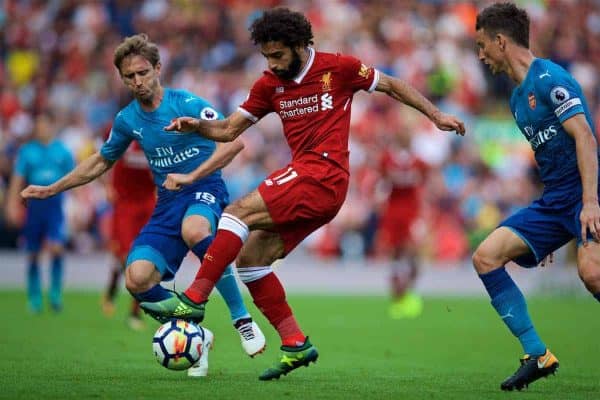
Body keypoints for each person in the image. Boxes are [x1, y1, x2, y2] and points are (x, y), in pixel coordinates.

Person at [140, 8, 465, 380]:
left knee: (237, 213)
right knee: (251, 260)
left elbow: (390, 84)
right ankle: (295, 343)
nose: (272, 63)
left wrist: (435, 114)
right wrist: (197, 125)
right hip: (312, 188)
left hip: (324, 174)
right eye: (266, 56)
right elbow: (229, 130)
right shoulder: (268, 86)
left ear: (299, 45)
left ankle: (195, 299)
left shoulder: (339, 68)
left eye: (277, 55)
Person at [20, 34, 266, 377]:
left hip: (203, 188)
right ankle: (194, 333)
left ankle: (242, 319)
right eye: (129, 76)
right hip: (166, 203)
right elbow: (101, 161)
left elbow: (233, 143)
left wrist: (190, 175)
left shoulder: (186, 103)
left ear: (158, 69)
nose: (137, 81)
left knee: (196, 229)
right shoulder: (126, 120)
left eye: (143, 72)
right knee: (135, 279)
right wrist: (53, 188)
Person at [474, 2, 600, 391]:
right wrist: (543, 233)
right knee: (486, 257)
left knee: (592, 274)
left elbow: (585, 137)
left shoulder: (550, 78)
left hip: (587, 192)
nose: (479, 55)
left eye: (482, 45)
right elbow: (546, 159)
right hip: (555, 200)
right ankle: (537, 354)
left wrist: (591, 202)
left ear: (500, 41)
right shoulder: (516, 101)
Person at [5, 110, 75, 313]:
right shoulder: (27, 151)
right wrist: (11, 204)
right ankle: (34, 297)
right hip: (34, 206)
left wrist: (76, 205)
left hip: (55, 205)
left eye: (45, 125)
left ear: (52, 126)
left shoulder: (62, 151)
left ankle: (55, 294)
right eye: (39, 125)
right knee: (33, 252)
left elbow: (74, 178)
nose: (42, 129)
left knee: (56, 248)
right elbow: (18, 180)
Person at [101, 138, 156, 331]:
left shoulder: (157, 135)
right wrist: (107, 186)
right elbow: (104, 158)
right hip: (124, 203)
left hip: (147, 204)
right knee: (125, 257)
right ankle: (113, 288)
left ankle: (135, 311)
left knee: (144, 258)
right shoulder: (124, 130)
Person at [375, 129, 428, 319]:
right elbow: (382, 181)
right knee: (395, 252)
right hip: (393, 210)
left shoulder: (418, 160)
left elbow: (425, 181)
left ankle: (409, 291)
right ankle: (398, 296)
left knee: (413, 251)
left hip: (412, 211)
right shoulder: (388, 158)